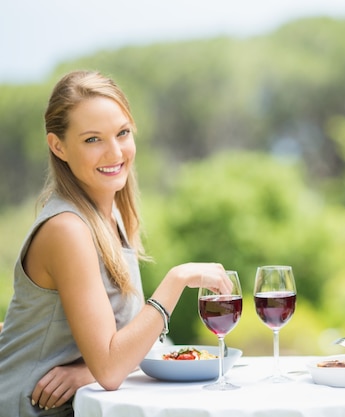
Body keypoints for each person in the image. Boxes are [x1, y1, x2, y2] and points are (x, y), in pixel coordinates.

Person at [0, 70, 233, 416]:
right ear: (58, 146)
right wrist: (176, 280)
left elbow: (116, 353)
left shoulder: (113, 217)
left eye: (122, 133)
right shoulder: (68, 229)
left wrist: (86, 371)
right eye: (93, 139)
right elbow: (110, 369)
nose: (114, 152)